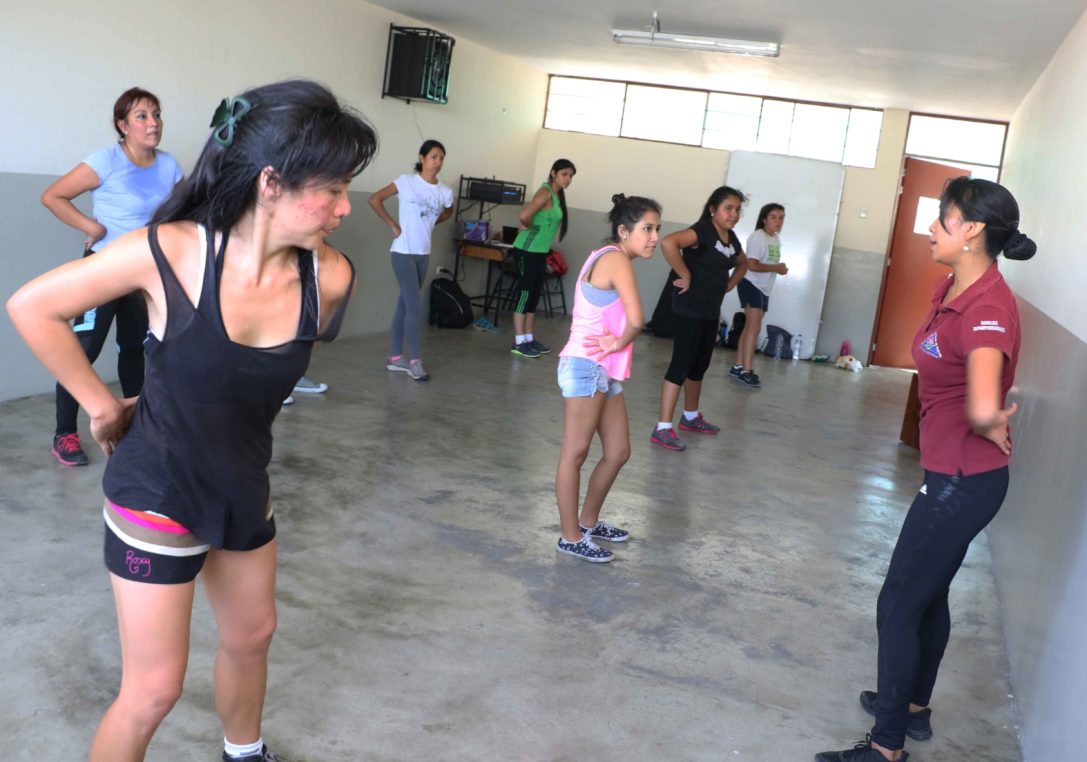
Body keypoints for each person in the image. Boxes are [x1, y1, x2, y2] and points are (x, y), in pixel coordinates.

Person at [7, 79, 376, 762]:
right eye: (330, 189)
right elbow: (33, 307)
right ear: (271, 183)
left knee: (252, 636)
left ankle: (245, 750)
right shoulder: (171, 251)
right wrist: (100, 404)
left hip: (241, 485)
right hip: (160, 493)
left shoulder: (329, 279)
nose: (343, 208)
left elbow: (233, 386)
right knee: (152, 692)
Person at [816, 177, 1036, 762]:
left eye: (942, 220)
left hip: (962, 482)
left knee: (897, 602)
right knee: (928, 595)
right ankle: (912, 709)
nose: (932, 228)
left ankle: (886, 745)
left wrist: (990, 421)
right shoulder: (953, 288)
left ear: (972, 232)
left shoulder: (987, 307)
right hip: (949, 472)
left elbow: (986, 402)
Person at [39, 87, 183, 466]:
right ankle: (64, 434)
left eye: (156, 114)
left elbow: (185, 213)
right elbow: (53, 196)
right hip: (101, 269)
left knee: (134, 352)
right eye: (141, 116)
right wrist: (93, 227)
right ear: (123, 125)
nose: (152, 123)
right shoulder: (106, 160)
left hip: (143, 274)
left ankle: (135, 431)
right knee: (81, 352)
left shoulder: (170, 166)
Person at [555, 194, 661, 562]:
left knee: (617, 452)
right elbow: (636, 321)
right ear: (623, 230)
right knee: (575, 453)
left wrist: (615, 346)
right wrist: (618, 341)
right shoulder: (615, 259)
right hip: (585, 365)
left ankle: (588, 521)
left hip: (604, 369)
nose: (654, 237)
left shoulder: (606, 255)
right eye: (647, 228)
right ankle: (569, 537)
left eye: (657, 229)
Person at [650, 186, 747, 451]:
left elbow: (743, 263)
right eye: (729, 208)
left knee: (699, 365)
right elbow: (669, 242)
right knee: (681, 364)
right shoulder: (702, 230)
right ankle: (662, 428)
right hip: (689, 308)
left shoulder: (730, 238)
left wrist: (729, 285)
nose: (734, 214)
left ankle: (691, 416)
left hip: (709, 310)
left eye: (738, 209)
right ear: (713, 209)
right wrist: (685, 273)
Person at [368, 139, 454, 381]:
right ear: (422, 158)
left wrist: (432, 221)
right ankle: (415, 361)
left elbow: (447, 211)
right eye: (434, 156)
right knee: (415, 305)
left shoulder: (445, 192)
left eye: (441, 158)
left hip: (422, 254)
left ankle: (395, 358)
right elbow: (374, 199)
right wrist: (393, 225)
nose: (437, 162)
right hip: (402, 252)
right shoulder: (406, 182)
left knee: (404, 305)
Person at [509, 158, 576, 358]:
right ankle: (519, 341)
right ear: (553, 172)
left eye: (571, 176)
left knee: (534, 294)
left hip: (539, 252)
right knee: (524, 294)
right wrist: (528, 226)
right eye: (565, 174)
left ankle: (529, 338)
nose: (568, 179)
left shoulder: (556, 195)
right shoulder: (545, 191)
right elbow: (524, 215)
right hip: (526, 249)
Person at [730, 203, 788, 388]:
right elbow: (752, 264)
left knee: (750, 327)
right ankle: (747, 371)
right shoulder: (758, 237)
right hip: (750, 284)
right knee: (754, 328)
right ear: (764, 219)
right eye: (773, 217)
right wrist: (776, 268)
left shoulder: (775, 240)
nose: (778, 221)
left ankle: (738, 366)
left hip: (764, 288)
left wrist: (777, 269)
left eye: (781, 217)